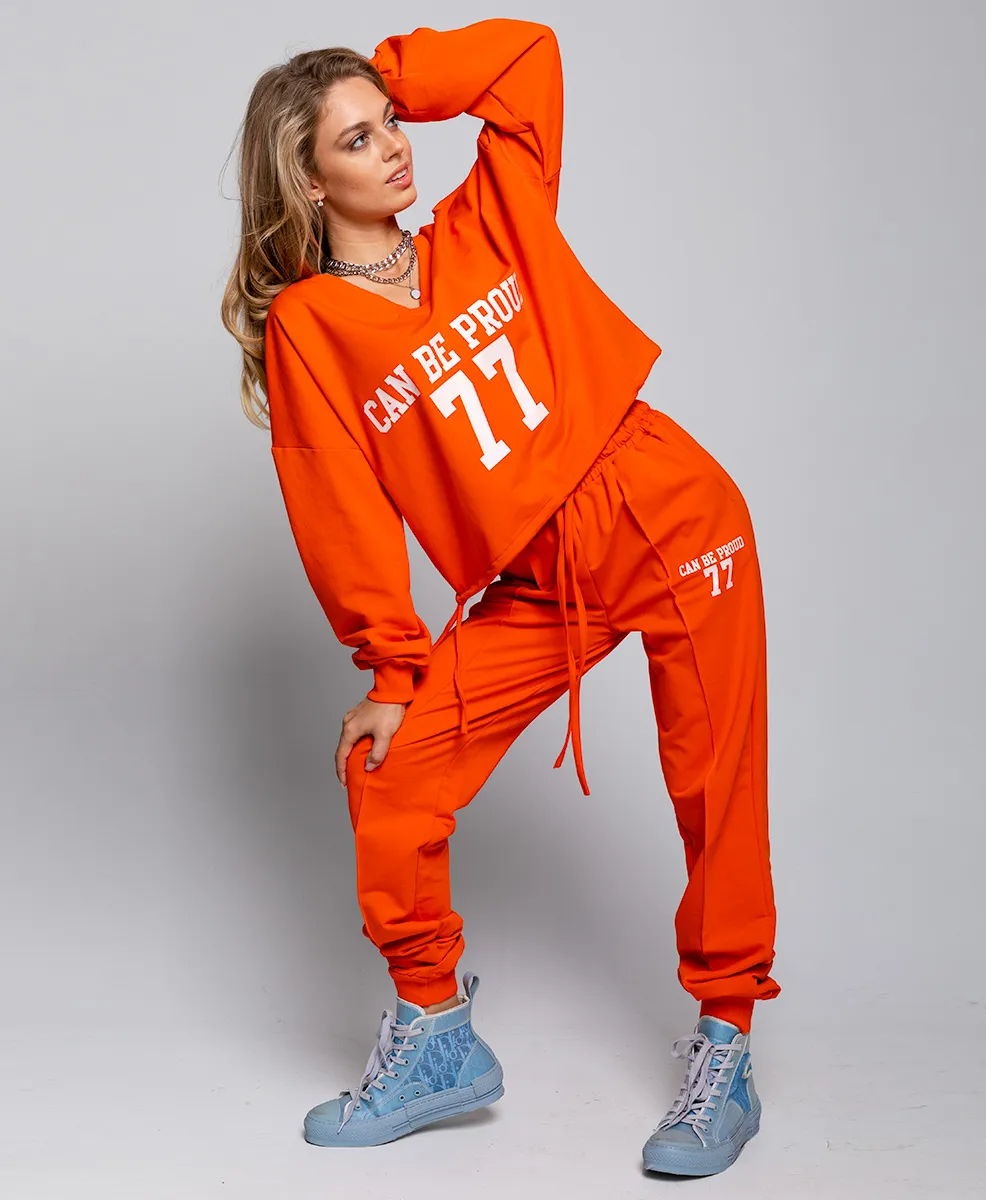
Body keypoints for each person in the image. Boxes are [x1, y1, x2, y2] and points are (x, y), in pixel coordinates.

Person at [221, 17, 780, 1176]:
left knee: (713, 784)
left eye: (388, 126)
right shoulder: (313, 329)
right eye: (355, 139)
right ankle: (435, 1036)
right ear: (307, 180)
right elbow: (338, 507)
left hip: (668, 514)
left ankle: (724, 1044)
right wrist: (392, 666)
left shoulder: (490, 216)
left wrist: (385, 73)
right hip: (538, 583)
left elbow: (527, 59)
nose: (392, 149)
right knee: (388, 774)